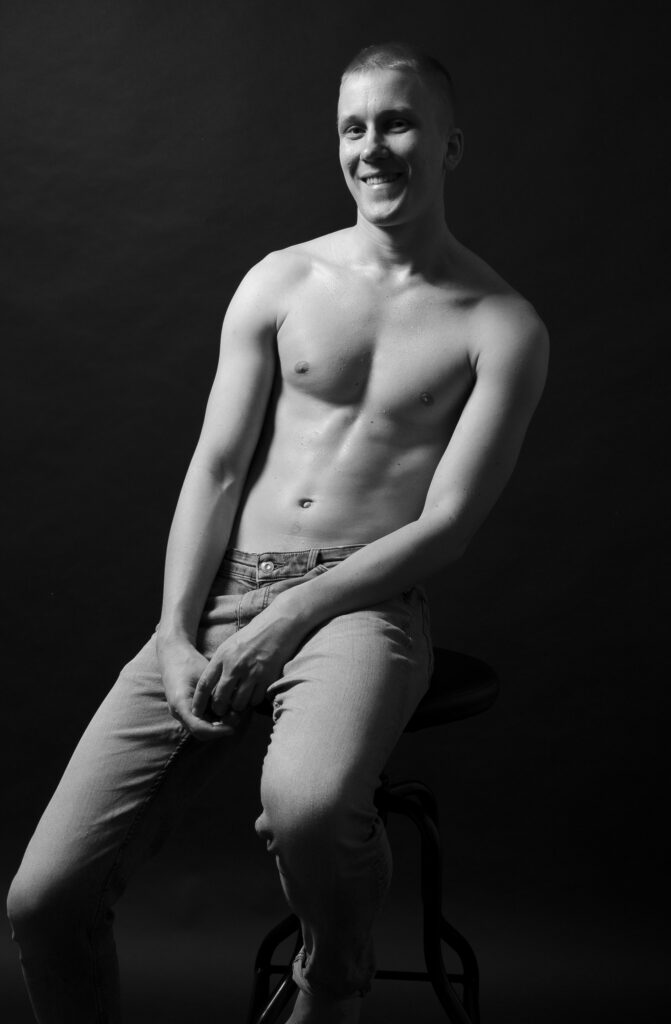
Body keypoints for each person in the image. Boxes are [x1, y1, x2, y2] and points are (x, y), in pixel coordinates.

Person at [7, 41, 548, 1024]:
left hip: (360, 603)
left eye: (397, 122)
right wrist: (176, 632)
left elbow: (448, 524)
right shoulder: (279, 281)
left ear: (449, 144)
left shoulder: (501, 326)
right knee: (44, 902)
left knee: (307, 807)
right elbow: (215, 468)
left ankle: (331, 982)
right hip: (221, 592)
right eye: (353, 127)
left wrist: (293, 614)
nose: (371, 148)